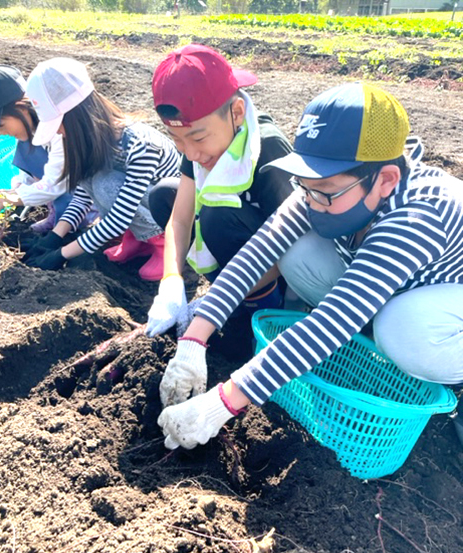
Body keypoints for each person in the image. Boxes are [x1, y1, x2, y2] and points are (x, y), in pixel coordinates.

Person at [157, 82, 463, 450]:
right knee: (297, 251)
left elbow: (334, 318)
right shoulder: (327, 188)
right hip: (400, 289)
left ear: (385, 180)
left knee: (403, 330)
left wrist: (222, 403)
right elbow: (259, 251)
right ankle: (366, 342)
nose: (311, 201)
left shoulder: (416, 217)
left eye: (324, 192)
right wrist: (194, 341)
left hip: (446, 304)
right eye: (305, 186)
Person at [145, 44, 295, 337]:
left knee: (217, 214)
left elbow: (291, 251)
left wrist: (216, 302)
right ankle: (224, 295)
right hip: (233, 260)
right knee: (163, 195)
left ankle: (254, 311)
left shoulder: (267, 149)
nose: (190, 153)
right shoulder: (197, 151)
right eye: (177, 140)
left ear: (237, 112)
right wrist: (171, 282)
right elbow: (179, 219)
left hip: (276, 271)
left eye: (197, 138)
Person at [22, 57, 181, 281]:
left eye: (58, 125)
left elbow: (120, 217)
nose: (58, 133)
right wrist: (56, 236)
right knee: (97, 182)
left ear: (78, 118)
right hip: (136, 214)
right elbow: (83, 196)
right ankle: (137, 239)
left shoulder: (140, 145)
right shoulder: (95, 145)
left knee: (107, 185)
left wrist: (61, 254)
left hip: (175, 218)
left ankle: (164, 245)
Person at [0, 64, 68, 231]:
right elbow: (26, 179)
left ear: (21, 107)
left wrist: (4, 199)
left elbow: (54, 184)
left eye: (1, 125)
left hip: (84, 205)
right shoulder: (26, 139)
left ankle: (68, 219)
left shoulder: (59, 132)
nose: (3, 133)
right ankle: (55, 213)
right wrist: (9, 193)